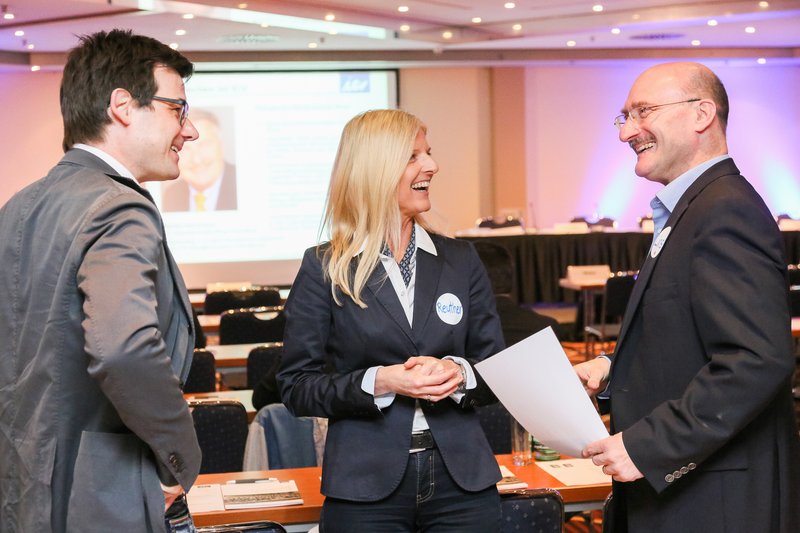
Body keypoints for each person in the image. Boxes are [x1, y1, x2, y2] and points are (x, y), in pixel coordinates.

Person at [574, 62, 800, 532]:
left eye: (643, 112)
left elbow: (756, 360)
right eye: (625, 117)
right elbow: (693, 334)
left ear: (702, 114)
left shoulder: (725, 210)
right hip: (686, 493)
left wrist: (648, 446)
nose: (627, 132)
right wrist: (616, 367)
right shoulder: (696, 208)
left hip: (712, 500)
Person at [0, 30, 203, 532]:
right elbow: (123, 349)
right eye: (178, 109)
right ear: (123, 107)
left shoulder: (18, 207)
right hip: (103, 495)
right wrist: (177, 458)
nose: (190, 130)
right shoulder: (119, 207)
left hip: (23, 486)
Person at [278, 109, 505, 532]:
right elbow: (296, 387)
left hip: (464, 485)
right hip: (364, 486)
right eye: (413, 156)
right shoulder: (324, 266)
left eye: (428, 153)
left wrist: (458, 373)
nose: (432, 166)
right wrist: (380, 381)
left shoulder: (460, 260)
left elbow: (498, 372)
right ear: (375, 169)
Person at [161, 108, 238, 212]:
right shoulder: (171, 194)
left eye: (204, 145)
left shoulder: (244, 184)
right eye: (186, 149)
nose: (196, 160)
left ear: (221, 146)